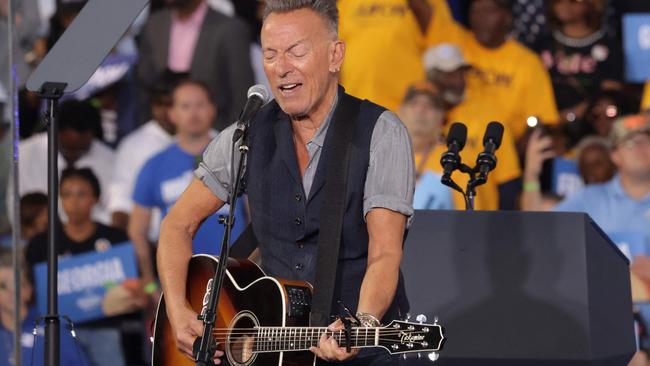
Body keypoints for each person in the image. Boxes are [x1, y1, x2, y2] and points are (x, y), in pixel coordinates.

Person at [157, 1, 414, 364]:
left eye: (296, 52)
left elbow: (385, 253)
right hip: (273, 352)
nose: (281, 68)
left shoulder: (380, 133)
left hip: (366, 351)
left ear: (335, 55)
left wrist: (364, 321)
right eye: (271, 54)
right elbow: (175, 225)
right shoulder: (247, 136)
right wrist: (179, 312)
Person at [129, 80, 247, 301]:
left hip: (238, 278)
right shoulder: (154, 165)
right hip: (181, 283)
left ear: (212, 110)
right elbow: (137, 230)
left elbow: (258, 217)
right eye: (185, 106)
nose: (194, 113)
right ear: (171, 114)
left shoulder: (238, 155)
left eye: (200, 105)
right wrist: (150, 285)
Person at [25, 168, 144, 366]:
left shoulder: (116, 239)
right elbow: (31, 290)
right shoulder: (42, 243)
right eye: (66, 194)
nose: (73, 202)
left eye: (81, 194)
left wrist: (143, 292)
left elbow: (139, 284)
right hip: (59, 332)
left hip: (107, 329)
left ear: (95, 198)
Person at [426, 0, 560, 141]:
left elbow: (541, 121)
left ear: (507, 18)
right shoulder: (457, 41)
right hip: (457, 141)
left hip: (506, 147)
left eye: (487, 11)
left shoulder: (528, 62)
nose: (480, 18)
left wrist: (511, 155)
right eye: (475, 12)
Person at [424, 43, 522, 210]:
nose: (458, 81)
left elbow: (507, 179)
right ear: (430, 77)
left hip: (478, 220)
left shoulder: (487, 113)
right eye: (448, 75)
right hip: (422, 221)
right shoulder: (413, 114)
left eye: (460, 73)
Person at [137, 0, 255, 130]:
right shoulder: (154, 24)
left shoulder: (231, 29)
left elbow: (242, 95)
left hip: (214, 133)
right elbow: (143, 86)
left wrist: (230, 139)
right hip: (158, 133)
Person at [15, 100, 114, 225]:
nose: (74, 155)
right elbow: (15, 205)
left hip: (90, 235)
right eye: (68, 149)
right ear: (55, 133)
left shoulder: (109, 159)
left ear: (91, 135)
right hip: (38, 235)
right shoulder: (26, 153)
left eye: (81, 151)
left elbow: (112, 209)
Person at [533, 0, 623, 125]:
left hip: (590, 124)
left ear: (592, 4)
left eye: (573, 1)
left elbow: (611, 92)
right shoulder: (541, 44)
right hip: (546, 123)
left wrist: (577, 113)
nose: (564, 5)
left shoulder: (609, 46)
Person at [338, 0, 436, 112]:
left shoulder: (423, 4)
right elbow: (334, 54)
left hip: (410, 110)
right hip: (358, 106)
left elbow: (442, 41)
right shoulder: (344, 4)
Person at [108, 73, 177, 232]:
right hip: (152, 241)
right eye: (160, 104)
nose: (166, 111)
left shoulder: (211, 140)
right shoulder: (133, 144)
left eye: (171, 104)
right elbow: (120, 200)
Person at [0, 248, 89, 366]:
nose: (12, 292)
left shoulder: (53, 331)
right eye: (3, 286)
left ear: (29, 290)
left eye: (18, 284)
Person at [398, 82, 453, 210]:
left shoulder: (453, 160)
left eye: (429, 106)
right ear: (400, 111)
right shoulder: (383, 157)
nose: (421, 110)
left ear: (441, 117)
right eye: (413, 103)